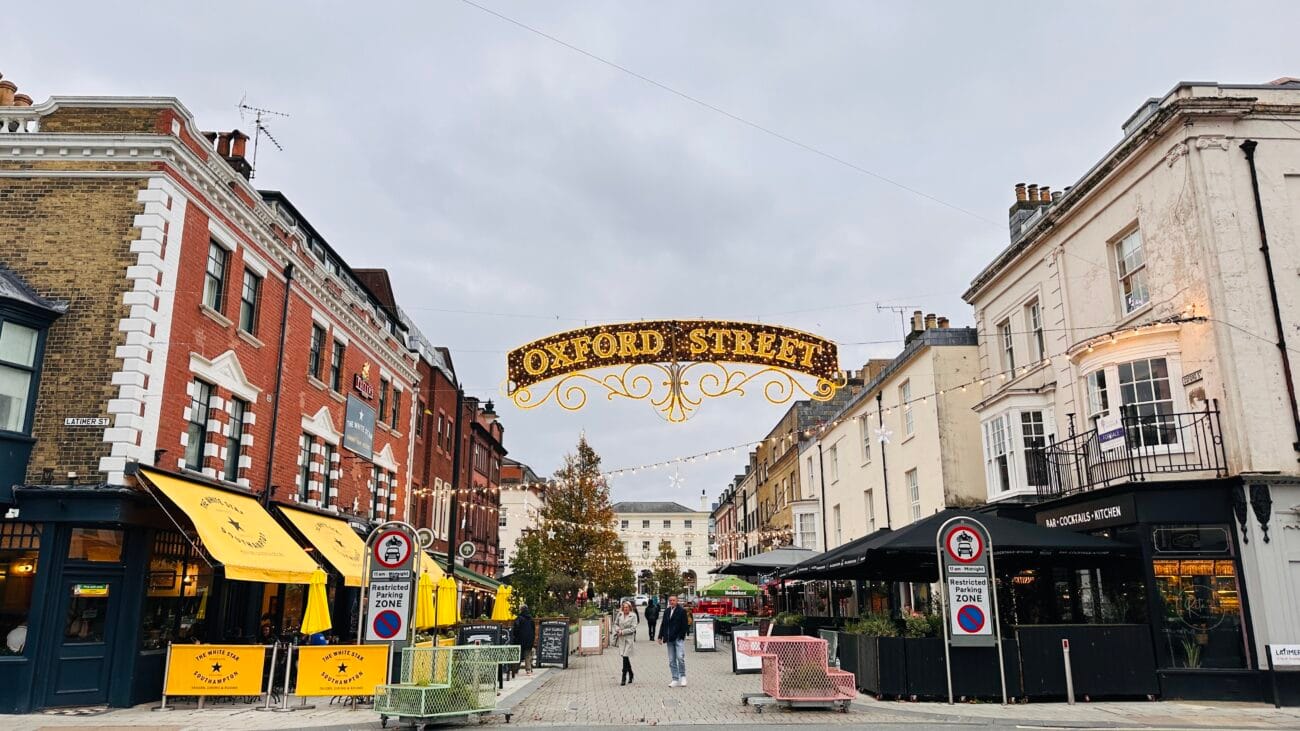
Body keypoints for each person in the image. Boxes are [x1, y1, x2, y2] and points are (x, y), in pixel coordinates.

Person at [658, 594, 688, 687]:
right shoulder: (667, 611)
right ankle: (675, 678)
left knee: (680, 657)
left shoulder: (682, 611)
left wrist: (681, 636)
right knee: (671, 660)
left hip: (678, 638)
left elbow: (685, 624)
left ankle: (682, 676)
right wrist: (660, 636)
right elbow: (663, 624)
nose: (671, 602)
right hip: (669, 638)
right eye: (670, 600)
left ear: (677, 601)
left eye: (673, 600)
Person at [613, 600, 637, 686]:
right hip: (621, 639)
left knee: (625, 656)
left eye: (627, 607)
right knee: (624, 657)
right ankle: (631, 673)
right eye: (624, 607)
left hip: (629, 639)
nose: (625, 609)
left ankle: (623, 677)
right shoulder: (619, 614)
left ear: (630, 608)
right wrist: (618, 629)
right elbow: (615, 624)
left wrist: (623, 631)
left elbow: (633, 628)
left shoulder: (633, 615)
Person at [513, 604, 535, 676]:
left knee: (518, 655)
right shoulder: (531, 619)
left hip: (520, 640)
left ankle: (515, 670)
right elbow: (533, 630)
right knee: (527, 655)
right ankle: (528, 670)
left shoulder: (519, 618)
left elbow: (515, 630)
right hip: (529, 640)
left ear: (521, 610)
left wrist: (515, 638)